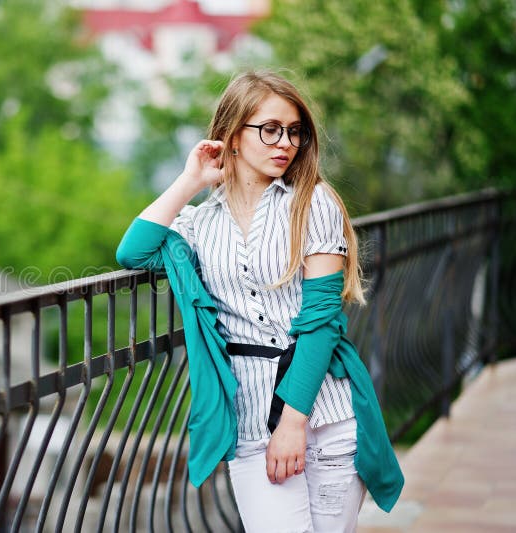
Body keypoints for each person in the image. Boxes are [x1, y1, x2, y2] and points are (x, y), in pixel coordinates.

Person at [116, 71, 403, 532]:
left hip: (326, 416)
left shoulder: (314, 203)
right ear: (232, 136)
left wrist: (293, 424)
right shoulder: (199, 222)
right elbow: (132, 251)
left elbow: (321, 323)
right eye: (269, 129)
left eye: (294, 131)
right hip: (249, 420)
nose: (284, 142)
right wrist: (191, 180)